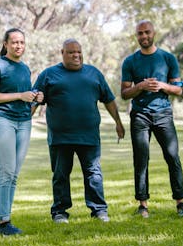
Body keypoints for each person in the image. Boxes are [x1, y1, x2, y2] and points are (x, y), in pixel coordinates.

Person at [32, 39, 125, 223]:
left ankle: (99, 210)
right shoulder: (49, 75)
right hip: (60, 137)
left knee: (93, 174)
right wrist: (23, 121)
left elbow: (108, 99)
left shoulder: (94, 73)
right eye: (71, 52)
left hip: (89, 136)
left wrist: (118, 122)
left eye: (79, 52)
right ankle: (59, 212)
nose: (76, 55)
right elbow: (34, 100)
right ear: (62, 53)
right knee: (60, 175)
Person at [121, 20, 183, 219]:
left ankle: (180, 203)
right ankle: (143, 205)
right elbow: (124, 93)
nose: (144, 36)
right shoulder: (130, 61)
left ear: (154, 33)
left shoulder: (167, 58)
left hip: (163, 114)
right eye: (140, 33)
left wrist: (161, 85)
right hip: (140, 115)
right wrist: (141, 86)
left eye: (147, 32)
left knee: (172, 156)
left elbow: (178, 89)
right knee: (141, 159)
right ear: (137, 36)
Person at [0, 28, 43, 236]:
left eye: (22, 43)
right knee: (6, 171)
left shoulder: (25, 68)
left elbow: (25, 97)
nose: (19, 46)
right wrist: (19, 95)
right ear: (6, 44)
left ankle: (7, 220)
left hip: (24, 122)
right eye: (15, 42)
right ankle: (3, 222)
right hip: (2, 121)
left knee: (14, 173)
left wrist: (35, 97)